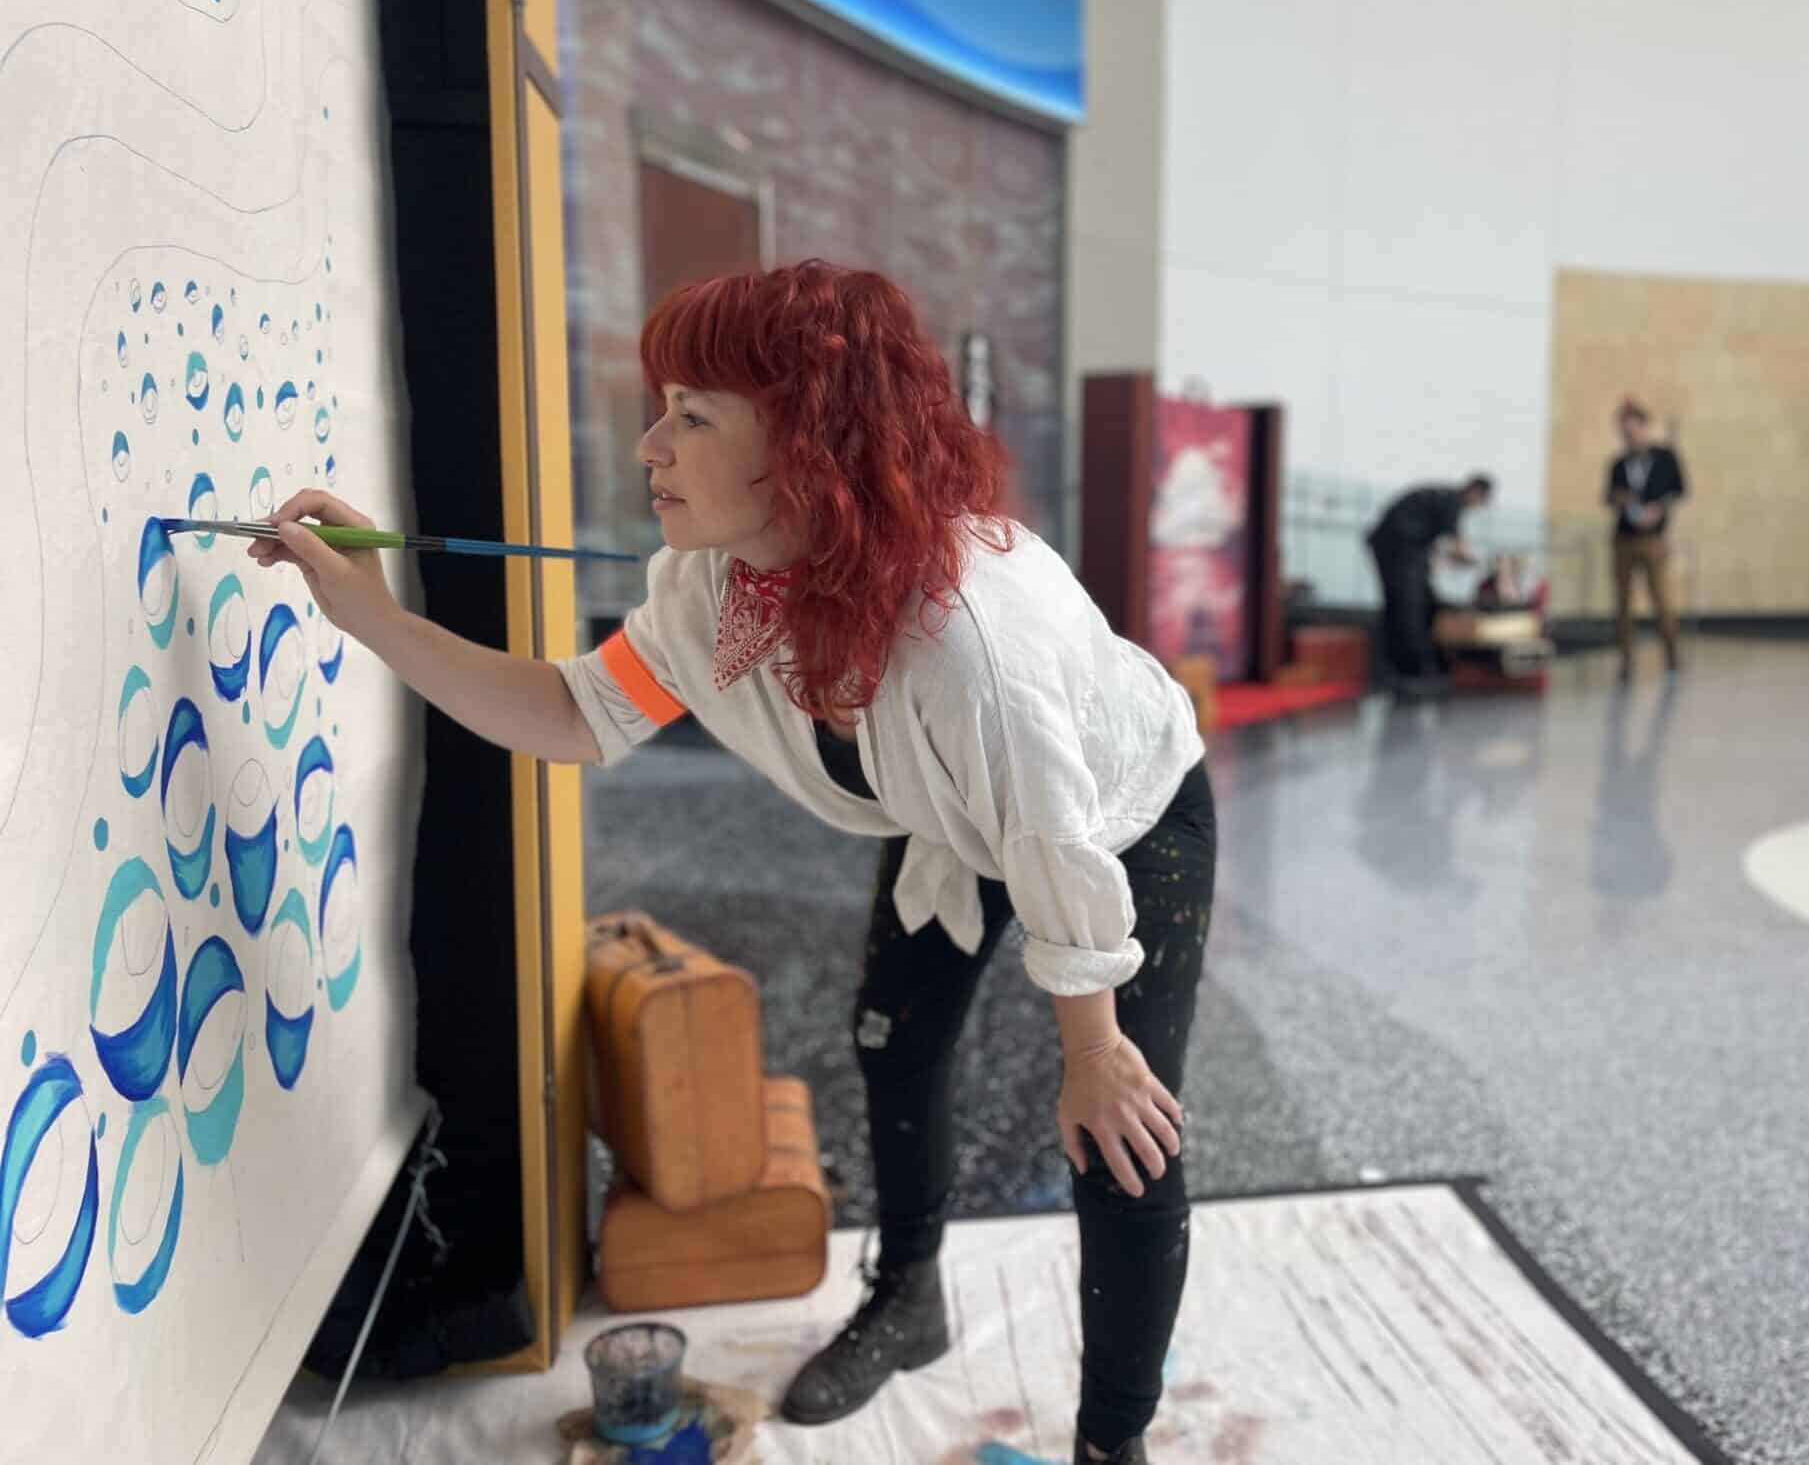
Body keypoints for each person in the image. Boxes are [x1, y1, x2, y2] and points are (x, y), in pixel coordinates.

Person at [247, 260, 1210, 1465]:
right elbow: (575, 714)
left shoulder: (971, 639)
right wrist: (375, 621)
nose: (648, 447)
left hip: (1119, 815)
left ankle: (1111, 1446)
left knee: (1121, 1140)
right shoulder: (719, 589)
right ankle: (908, 1298)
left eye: (692, 417)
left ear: (810, 443)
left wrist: (1092, 1051)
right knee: (893, 1044)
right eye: (663, 408)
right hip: (955, 821)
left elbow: (1051, 838)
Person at [1366, 473, 1493, 694]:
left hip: (1398, 547)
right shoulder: (1452, 502)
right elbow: (1457, 547)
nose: (1477, 507)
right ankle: (1410, 671)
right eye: (1481, 501)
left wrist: (1436, 563)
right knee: (1408, 606)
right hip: (1397, 548)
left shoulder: (1440, 499)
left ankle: (1399, 668)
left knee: (1410, 602)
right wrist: (1477, 562)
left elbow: (1434, 544)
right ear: (1475, 492)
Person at [1606, 398, 1687, 679]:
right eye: (1624, 432)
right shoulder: (1618, 464)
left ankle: (1672, 658)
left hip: (1653, 539)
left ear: (1644, 427)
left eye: (1633, 430)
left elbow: (1679, 489)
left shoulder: (1664, 458)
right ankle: (1626, 662)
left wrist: (1659, 508)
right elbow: (1609, 496)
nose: (1629, 436)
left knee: (1661, 598)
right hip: (1624, 538)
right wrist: (1620, 499)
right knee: (1623, 602)